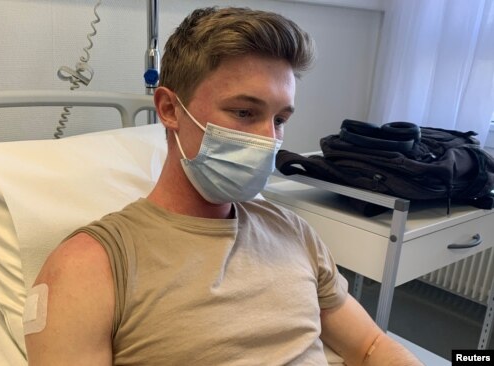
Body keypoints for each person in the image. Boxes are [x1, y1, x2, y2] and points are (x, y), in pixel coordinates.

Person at [25, 6, 422, 365]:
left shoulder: (294, 233)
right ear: (168, 109)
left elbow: (370, 347)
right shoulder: (91, 266)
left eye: (280, 119)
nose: (269, 139)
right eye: (245, 112)